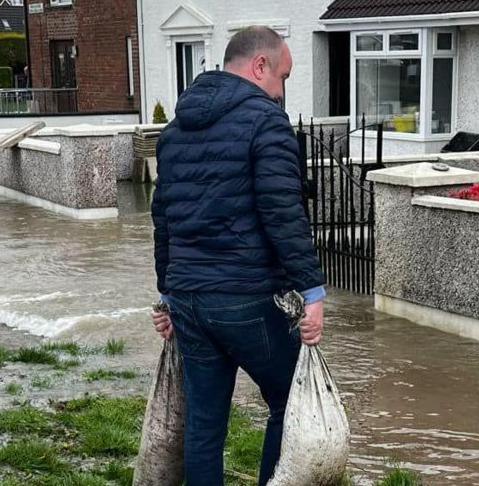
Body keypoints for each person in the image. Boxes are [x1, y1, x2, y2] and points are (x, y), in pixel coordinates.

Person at [149, 26, 326, 486]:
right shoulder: (267, 123)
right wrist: (312, 291)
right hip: (244, 296)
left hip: (189, 297)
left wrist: (167, 294)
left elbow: (162, 217)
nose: (282, 91)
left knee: (204, 422)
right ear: (259, 66)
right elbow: (283, 212)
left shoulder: (173, 131)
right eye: (283, 77)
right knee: (290, 400)